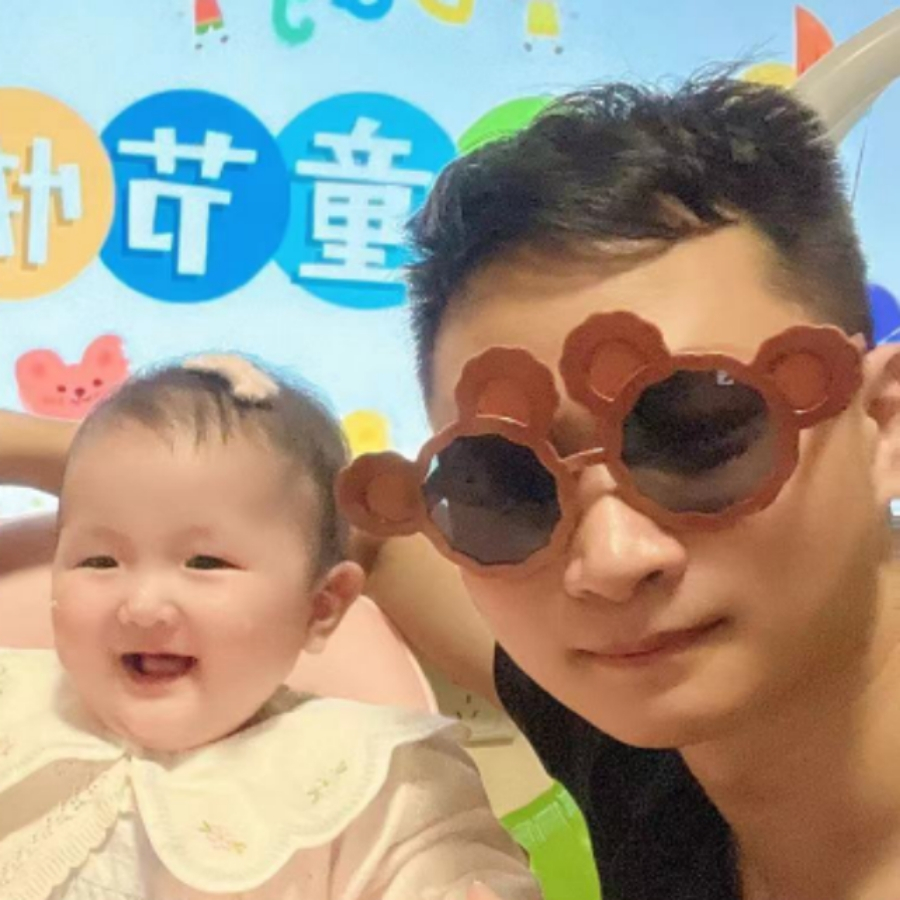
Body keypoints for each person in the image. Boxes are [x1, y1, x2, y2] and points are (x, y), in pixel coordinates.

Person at [338, 75, 900, 900]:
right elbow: (358, 530)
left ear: (881, 424)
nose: (608, 560)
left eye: (702, 436)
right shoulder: (642, 749)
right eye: (508, 484)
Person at [0, 357, 540, 900]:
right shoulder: (15, 699)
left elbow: (448, 866)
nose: (142, 607)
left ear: (322, 607)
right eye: (98, 561)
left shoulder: (380, 774)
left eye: (205, 563)